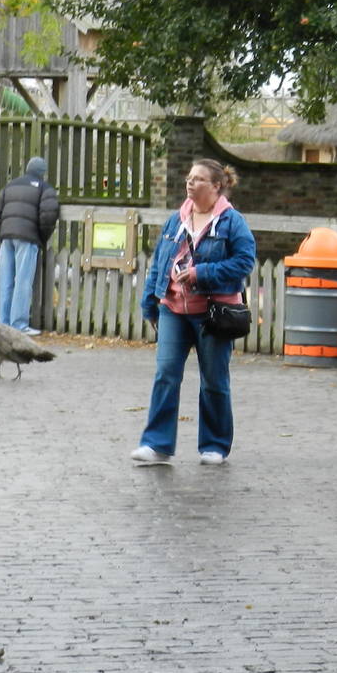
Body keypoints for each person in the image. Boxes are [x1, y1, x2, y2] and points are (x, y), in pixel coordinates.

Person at [131, 160, 256, 467]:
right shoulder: (177, 220)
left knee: (213, 380)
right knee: (165, 374)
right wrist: (150, 303)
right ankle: (156, 444)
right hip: (173, 308)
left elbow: (244, 261)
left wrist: (203, 273)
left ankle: (214, 445)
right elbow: (160, 263)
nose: (190, 183)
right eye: (189, 178)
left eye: (199, 179)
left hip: (212, 312)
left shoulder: (231, 222)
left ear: (216, 186)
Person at [0, 156, 60, 335]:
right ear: (42, 173)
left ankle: (3, 323)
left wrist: (2, 231)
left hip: (7, 237)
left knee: (5, 281)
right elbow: (48, 216)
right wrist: (41, 238)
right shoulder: (45, 189)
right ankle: (19, 324)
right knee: (23, 281)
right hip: (28, 237)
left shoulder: (10, 185)